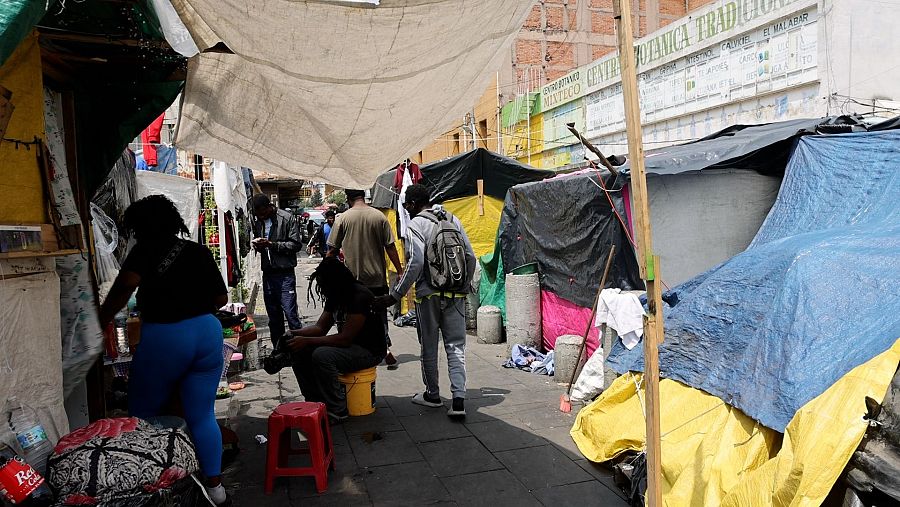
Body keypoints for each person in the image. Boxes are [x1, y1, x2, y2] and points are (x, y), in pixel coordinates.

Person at [98, 195, 229, 504]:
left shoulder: (142, 252)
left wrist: (100, 319)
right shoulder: (197, 251)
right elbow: (221, 299)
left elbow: (123, 290)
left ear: (138, 226)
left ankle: (151, 486)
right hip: (208, 333)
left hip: (167, 336)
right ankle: (216, 490)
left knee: (142, 415)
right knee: (202, 416)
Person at [374, 184, 476, 417]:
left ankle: (432, 394)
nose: (406, 209)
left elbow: (416, 262)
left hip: (428, 295)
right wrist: (463, 284)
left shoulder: (415, 225)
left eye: (406, 205)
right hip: (456, 294)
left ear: (411, 205)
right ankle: (458, 400)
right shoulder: (452, 218)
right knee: (456, 347)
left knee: (429, 346)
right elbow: (470, 257)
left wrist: (396, 295)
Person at [286, 257, 387, 422]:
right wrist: (294, 333)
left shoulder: (358, 296)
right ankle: (314, 401)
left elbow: (345, 339)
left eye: (323, 285)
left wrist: (307, 341)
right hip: (351, 346)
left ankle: (337, 409)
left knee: (322, 355)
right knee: (299, 352)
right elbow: (320, 328)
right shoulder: (336, 293)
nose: (322, 290)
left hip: (369, 351)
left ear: (334, 282)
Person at [326, 189, 403, 368]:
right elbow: (390, 247)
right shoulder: (379, 217)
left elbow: (333, 250)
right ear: (363, 196)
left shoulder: (342, 218)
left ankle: (358, 351)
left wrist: (324, 272)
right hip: (377, 279)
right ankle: (384, 348)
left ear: (348, 198)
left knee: (352, 317)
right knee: (380, 317)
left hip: (352, 282)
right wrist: (400, 271)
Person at [252, 194, 302, 350]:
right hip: (268, 274)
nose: (261, 216)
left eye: (262, 213)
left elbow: (295, 245)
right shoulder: (258, 222)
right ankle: (279, 350)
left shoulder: (286, 218)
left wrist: (272, 244)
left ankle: (299, 349)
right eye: (258, 214)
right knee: (274, 317)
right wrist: (259, 246)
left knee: (291, 314)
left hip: (285, 274)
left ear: (269, 207)